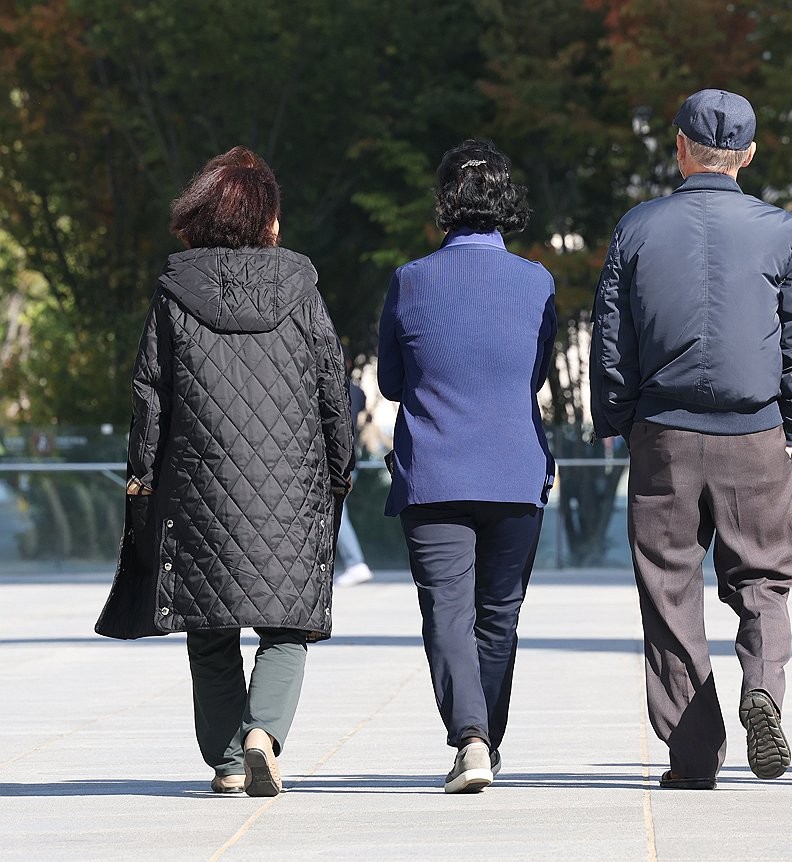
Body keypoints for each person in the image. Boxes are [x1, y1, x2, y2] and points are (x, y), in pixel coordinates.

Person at [590, 89, 792, 790]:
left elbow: (613, 341)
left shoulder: (636, 229)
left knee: (670, 590)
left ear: (679, 147)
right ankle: (761, 686)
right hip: (755, 432)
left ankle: (694, 754)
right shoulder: (784, 232)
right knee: (761, 580)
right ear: (749, 154)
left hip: (664, 433)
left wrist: (615, 420)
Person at [95, 147, 354, 797]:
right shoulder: (301, 287)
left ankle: (230, 763)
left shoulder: (174, 289)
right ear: (265, 216)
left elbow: (148, 398)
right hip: (291, 487)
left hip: (199, 487)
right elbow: (332, 390)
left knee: (210, 628)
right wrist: (339, 471)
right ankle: (264, 732)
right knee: (287, 622)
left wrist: (139, 484)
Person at [376, 139, 556, 794]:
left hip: (436, 472)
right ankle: (485, 742)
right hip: (515, 469)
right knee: (499, 614)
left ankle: (472, 739)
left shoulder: (411, 280)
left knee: (448, 612)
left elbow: (392, 383)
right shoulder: (537, 282)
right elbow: (534, 374)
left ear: (444, 201)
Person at [334, 367, 375, 587]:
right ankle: (353, 563)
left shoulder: (340, 387)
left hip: (338, 457)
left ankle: (355, 562)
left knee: (338, 513)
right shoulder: (358, 391)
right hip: (352, 456)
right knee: (340, 511)